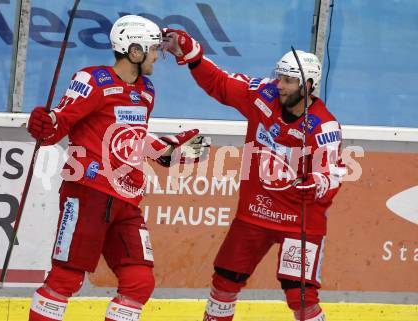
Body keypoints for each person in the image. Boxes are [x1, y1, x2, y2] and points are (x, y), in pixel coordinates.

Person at [26, 16, 208, 321]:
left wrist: (169, 150)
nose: (156, 56)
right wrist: (45, 123)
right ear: (134, 51)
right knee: (66, 279)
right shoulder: (92, 80)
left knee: (139, 283)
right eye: (151, 50)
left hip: (126, 200)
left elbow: (131, 139)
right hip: (88, 193)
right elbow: (57, 126)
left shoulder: (146, 91)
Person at [162, 29, 346, 321]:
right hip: (255, 212)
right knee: (225, 281)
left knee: (300, 296)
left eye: (288, 80)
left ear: (308, 85)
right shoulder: (264, 93)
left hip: (299, 219)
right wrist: (192, 52)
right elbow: (221, 83)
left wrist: (314, 183)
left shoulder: (324, 126)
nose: (280, 85)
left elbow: (333, 174)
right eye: (280, 77)